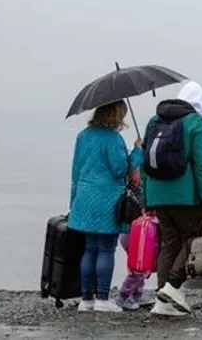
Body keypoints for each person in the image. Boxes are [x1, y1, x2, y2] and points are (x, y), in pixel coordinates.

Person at [141, 81, 202, 317]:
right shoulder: (194, 122)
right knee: (195, 239)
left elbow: (144, 162)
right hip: (186, 197)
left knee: (169, 242)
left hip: (158, 195)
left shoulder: (154, 121)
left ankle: (162, 301)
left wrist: (146, 199)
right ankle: (173, 287)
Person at [69, 100, 143, 313]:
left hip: (83, 197)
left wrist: (73, 202)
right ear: (116, 115)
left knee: (89, 248)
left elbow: (76, 171)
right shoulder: (113, 139)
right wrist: (137, 151)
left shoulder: (83, 136)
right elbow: (120, 170)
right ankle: (102, 299)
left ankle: (86, 300)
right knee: (106, 249)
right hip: (107, 199)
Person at [117, 166, 153, 310]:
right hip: (133, 235)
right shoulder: (131, 194)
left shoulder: (137, 191)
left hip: (137, 234)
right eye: (137, 172)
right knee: (138, 268)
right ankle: (124, 296)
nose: (141, 174)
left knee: (141, 266)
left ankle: (137, 294)